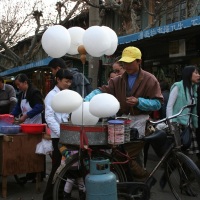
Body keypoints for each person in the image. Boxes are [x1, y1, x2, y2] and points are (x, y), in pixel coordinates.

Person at [84, 46, 163, 184]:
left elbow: (158, 103)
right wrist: (85, 101)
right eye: (125, 63)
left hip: (141, 124)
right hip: (121, 123)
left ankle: (143, 180)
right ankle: (136, 184)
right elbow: (102, 90)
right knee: (123, 155)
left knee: (125, 155)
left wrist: (139, 102)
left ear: (139, 61)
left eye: (130, 62)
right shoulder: (117, 80)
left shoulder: (150, 79)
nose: (127, 66)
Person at [43, 69, 80, 200]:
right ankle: (49, 196)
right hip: (58, 137)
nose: (68, 84)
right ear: (58, 80)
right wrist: (61, 134)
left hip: (66, 135)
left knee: (66, 167)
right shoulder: (51, 96)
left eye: (70, 81)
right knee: (58, 167)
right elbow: (49, 117)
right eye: (66, 81)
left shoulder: (66, 94)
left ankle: (58, 195)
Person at [11, 73, 44, 181]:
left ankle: (38, 174)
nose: (18, 87)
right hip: (26, 127)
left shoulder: (34, 92)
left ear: (25, 82)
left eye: (19, 84)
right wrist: (10, 116)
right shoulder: (22, 94)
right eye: (17, 85)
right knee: (28, 150)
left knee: (36, 151)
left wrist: (26, 115)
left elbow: (40, 107)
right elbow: (17, 109)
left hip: (35, 127)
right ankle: (30, 173)